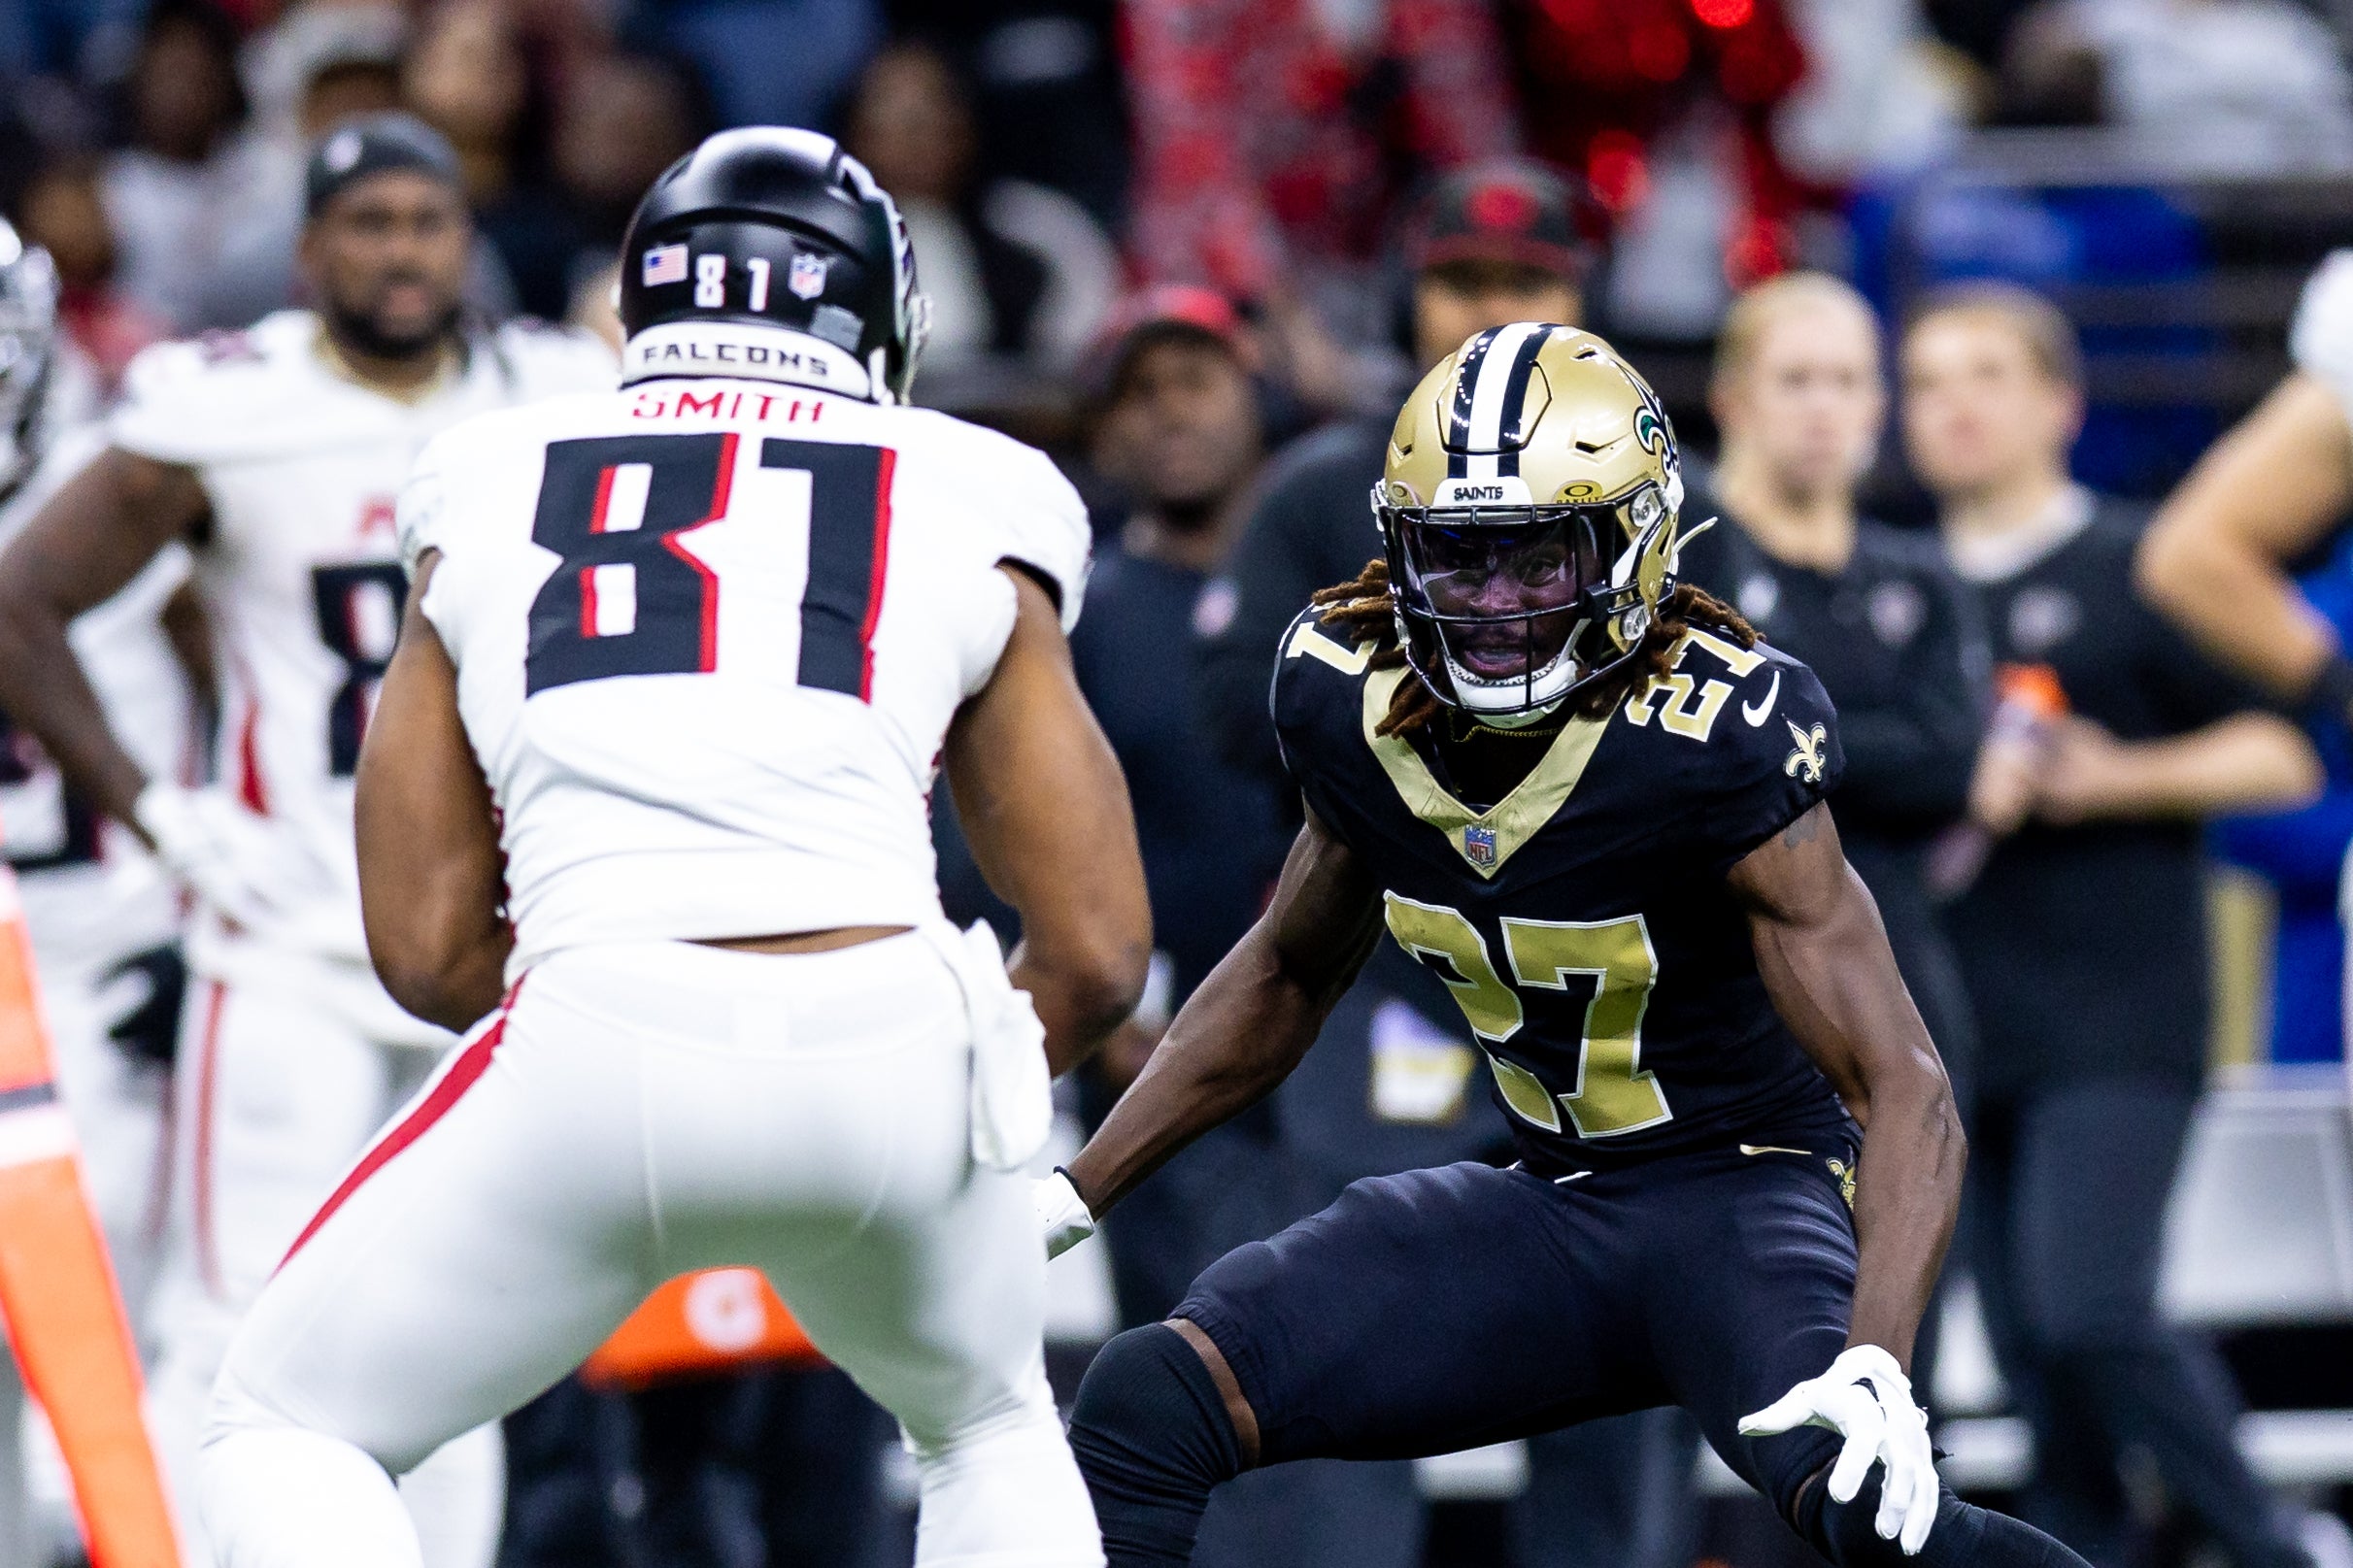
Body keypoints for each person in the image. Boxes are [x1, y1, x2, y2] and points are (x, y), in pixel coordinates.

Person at [185, 125, 1152, 1568]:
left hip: (596, 1027)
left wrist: (644, 1042)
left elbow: (426, 943)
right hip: (890, 1039)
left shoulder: (487, 467)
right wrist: (949, 1100)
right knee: (987, 1424)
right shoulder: (970, 480)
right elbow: (1092, 949)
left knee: (278, 1422)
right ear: (876, 311)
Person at [1032, 320, 2095, 1568]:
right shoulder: (1350, 693)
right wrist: (1071, 1191)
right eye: (1455, 558)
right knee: (1147, 1397)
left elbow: (1902, 1081)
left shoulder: (1714, 727)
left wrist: (1875, 1361)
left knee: (1869, 1506)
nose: (1489, 607)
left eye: (1535, 561)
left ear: (1635, 542)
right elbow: (1284, 967)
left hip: (1743, 1203)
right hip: (1549, 1205)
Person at [0, 113, 616, 1567]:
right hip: (282, 940)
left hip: (492, 954)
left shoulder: (560, 393)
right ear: (305, 250)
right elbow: (20, 601)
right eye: (367, 222)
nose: (399, 251)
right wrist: (164, 811)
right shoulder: (227, 405)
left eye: (426, 220)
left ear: (468, 238)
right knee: (232, 1317)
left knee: (454, 1336)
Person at [1902, 283, 2323, 1568]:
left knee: (2091, 1304)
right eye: (1924, 379)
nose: (1953, 404)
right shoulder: (1889, 585)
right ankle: (2094, 1545)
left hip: (2118, 1012)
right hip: (1954, 1022)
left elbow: (2285, 755)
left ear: (2057, 404)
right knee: (2026, 1349)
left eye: (1984, 373)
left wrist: (2114, 775)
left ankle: (2267, 1538)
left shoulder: (2143, 560)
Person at [0, 218, 194, 1568]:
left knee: (116, 1355)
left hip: (107, 979)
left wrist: (206, 899)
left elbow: (252, 667)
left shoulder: (110, 487)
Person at [1708, 273, 1987, 1183]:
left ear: (1877, 402)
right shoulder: (1683, 569)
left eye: (1846, 381)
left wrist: (1785, 743)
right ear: (1732, 399)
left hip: (1896, 978)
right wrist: (1870, 748)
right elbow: (1699, 762)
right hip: (1723, 984)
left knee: (1906, 1290)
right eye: (1795, 380)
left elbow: (1950, 762)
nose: (1823, 408)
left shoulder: (1923, 578)